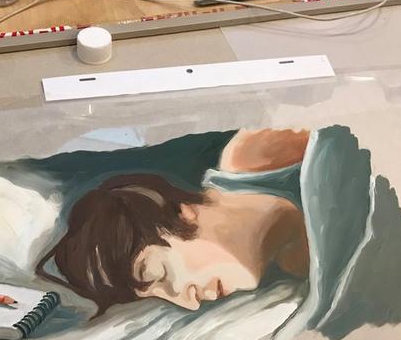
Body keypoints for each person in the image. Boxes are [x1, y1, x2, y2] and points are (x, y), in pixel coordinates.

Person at [37, 129, 311, 314]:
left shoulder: (258, 156)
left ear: (181, 214)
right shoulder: (293, 265)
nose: (190, 303)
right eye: (160, 295)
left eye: (158, 274)